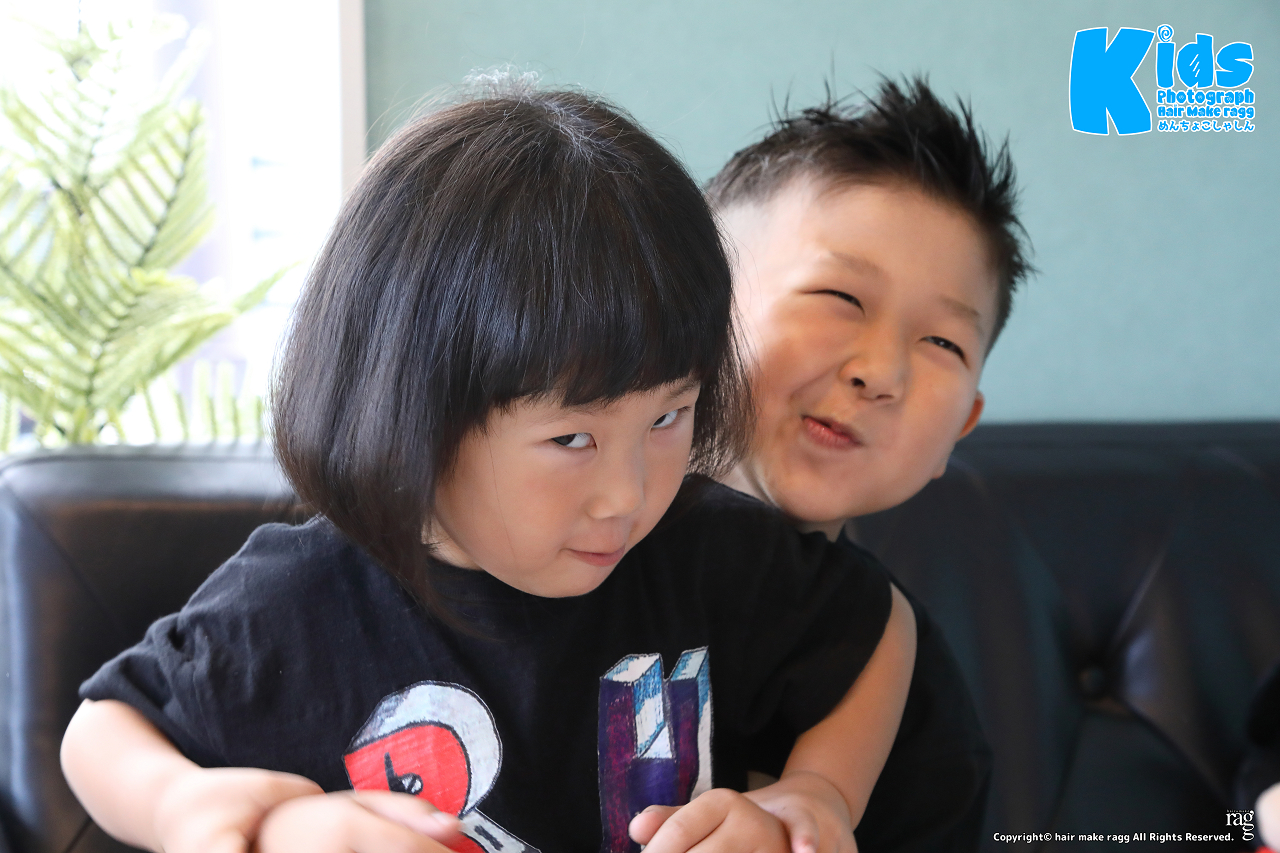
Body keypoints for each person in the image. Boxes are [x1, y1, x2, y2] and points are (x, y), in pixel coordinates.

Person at [59, 82, 918, 853]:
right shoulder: (301, 596)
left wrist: (820, 792)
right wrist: (199, 807)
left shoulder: (709, 553)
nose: (629, 494)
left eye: (666, 417)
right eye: (571, 439)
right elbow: (101, 729)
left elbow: (880, 625)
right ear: (419, 418)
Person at [706, 76, 1033, 851]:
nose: (881, 371)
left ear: (962, 427)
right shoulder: (553, 554)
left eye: (943, 342)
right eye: (839, 296)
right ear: (696, 312)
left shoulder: (913, 698)